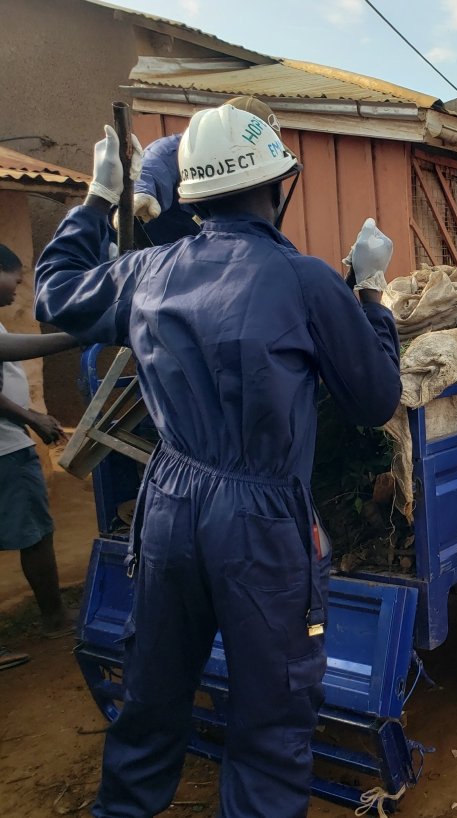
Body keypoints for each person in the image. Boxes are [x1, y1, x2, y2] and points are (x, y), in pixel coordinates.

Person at [35, 102, 402, 817]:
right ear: (275, 187)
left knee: (152, 695)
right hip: (260, 526)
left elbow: (55, 294)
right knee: (271, 719)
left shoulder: (147, 270)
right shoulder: (305, 281)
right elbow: (375, 398)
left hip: (169, 506)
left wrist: (98, 198)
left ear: (193, 197)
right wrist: (369, 293)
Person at [0, 245, 81, 670]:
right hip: (5, 450)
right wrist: (80, 336)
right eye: (14, 275)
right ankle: (54, 617)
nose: (19, 284)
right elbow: (11, 348)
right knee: (35, 532)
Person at [131, 96, 281, 246]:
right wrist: (141, 191)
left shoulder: (267, 187)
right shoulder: (180, 151)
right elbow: (151, 167)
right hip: (159, 251)